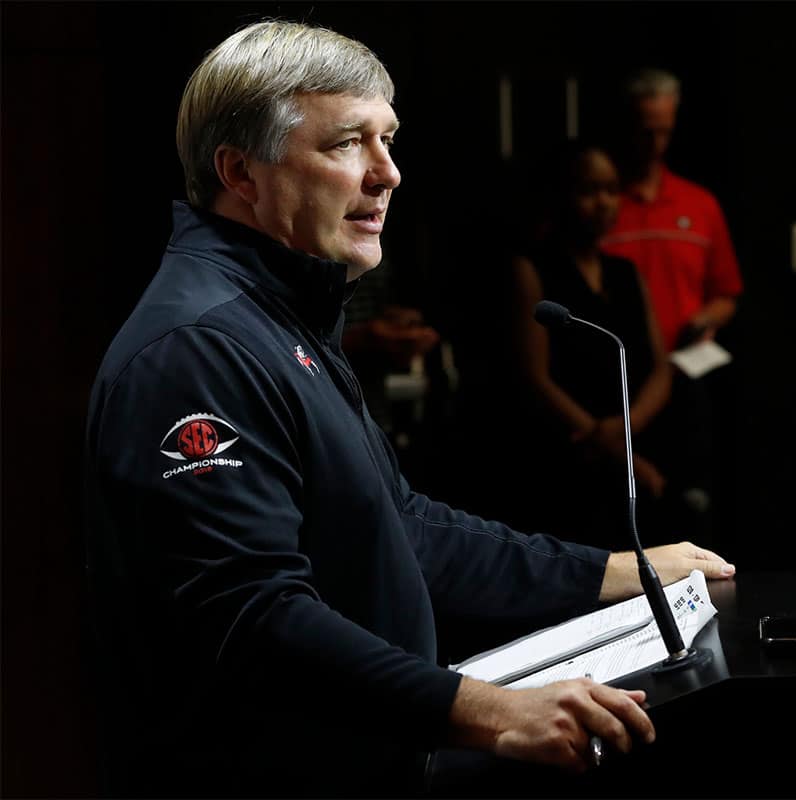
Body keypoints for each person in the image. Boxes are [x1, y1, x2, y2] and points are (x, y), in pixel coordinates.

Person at [84, 21, 736, 797]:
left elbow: (401, 524)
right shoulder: (196, 351)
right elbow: (252, 619)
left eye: (388, 140)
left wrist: (609, 572)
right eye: (346, 144)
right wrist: (489, 712)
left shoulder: (285, 317)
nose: (387, 173)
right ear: (241, 172)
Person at [599, 69, 744, 544]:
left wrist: (706, 319)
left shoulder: (698, 204)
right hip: (618, 380)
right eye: (645, 129)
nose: (655, 142)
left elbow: (727, 293)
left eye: (664, 129)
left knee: (693, 512)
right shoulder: (602, 203)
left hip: (684, 381)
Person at [512, 143, 674, 550]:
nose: (603, 203)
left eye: (611, 189)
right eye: (588, 190)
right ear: (562, 196)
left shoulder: (626, 272)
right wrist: (610, 446)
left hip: (636, 442)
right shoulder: (532, 268)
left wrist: (626, 429)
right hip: (568, 455)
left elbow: (661, 367)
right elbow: (534, 377)